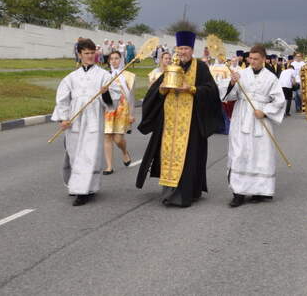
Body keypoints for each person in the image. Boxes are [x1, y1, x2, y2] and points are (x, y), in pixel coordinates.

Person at [135, 31, 224, 207]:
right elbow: (154, 92)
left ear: (192, 50)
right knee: (168, 156)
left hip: (190, 122)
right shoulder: (171, 67)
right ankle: (169, 192)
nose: (182, 51)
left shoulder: (200, 67)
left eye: (186, 48)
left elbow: (212, 90)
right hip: (169, 122)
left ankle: (185, 194)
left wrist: (191, 88)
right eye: (180, 48)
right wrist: (160, 90)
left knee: (189, 158)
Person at [51, 39, 120, 206]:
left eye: (92, 53)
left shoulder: (104, 76)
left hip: (93, 121)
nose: (90, 56)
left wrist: (105, 94)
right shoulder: (71, 78)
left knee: (88, 156)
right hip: (74, 121)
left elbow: (114, 98)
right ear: (80, 54)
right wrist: (63, 118)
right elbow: (62, 100)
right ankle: (77, 186)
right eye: (86, 53)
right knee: (75, 154)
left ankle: (84, 191)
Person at [223, 45, 286, 207]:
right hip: (242, 118)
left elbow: (279, 101)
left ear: (264, 59)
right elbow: (230, 95)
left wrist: (265, 111)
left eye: (256, 59)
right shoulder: (241, 74)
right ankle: (238, 192)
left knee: (260, 154)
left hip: (260, 120)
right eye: (250, 58)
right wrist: (232, 82)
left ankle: (259, 190)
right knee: (239, 152)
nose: (252, 62)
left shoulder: (271, 78)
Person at [103, 51, 135, 174]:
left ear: (121, 60)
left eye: (117, 58)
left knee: (117, 139)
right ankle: (109, 166)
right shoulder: (105, 75)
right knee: (107, 136)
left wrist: (131, 114)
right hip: (109, 108)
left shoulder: (129, 76)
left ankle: (124, 152)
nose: (114, 61)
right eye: (112, 59)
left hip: (123, 109)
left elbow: (131, 97)